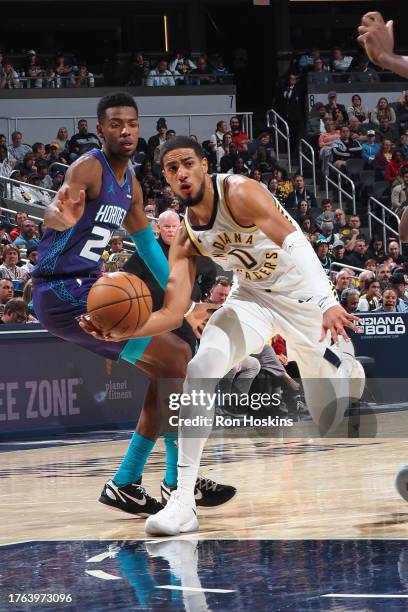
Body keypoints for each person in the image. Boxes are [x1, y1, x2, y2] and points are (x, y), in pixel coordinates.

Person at [84, 135, 365, 536]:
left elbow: (294, 240)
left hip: (302, 296)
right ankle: (182, 501)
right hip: (251, 297)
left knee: (332, 413)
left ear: (203, 164)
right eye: (171, 169)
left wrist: (326, 301)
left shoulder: (238, 191)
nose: (181, 173)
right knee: (200, 365)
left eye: (187, 164)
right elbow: (173, 309)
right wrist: (120, 330)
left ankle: (348, 370)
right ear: (165, 179)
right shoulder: (185, 236)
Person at [32, 94, 229, 519]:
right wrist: (56, 215)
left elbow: (152, 251)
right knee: (176, 359)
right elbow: (57, 207)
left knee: (173, 366)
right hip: (61, 290)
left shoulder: (132, 187)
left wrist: (188, 303)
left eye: (132, 123)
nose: (125, 130)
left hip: (86, 285)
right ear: (100, 129)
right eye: (116, 123)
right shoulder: (88, 168)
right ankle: (177, 481)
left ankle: (131, 483)